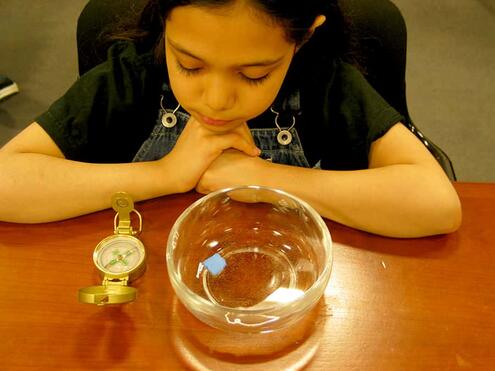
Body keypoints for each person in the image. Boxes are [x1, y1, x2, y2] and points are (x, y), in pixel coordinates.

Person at [0, 0, 461, 237]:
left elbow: (437, 203)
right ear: (165, 20)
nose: (216, 101)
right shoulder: (132, 74)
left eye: (254, 74)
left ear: (303, 38)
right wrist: (163, 174)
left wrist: (262, 178)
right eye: (190, 65)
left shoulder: (326, 83)